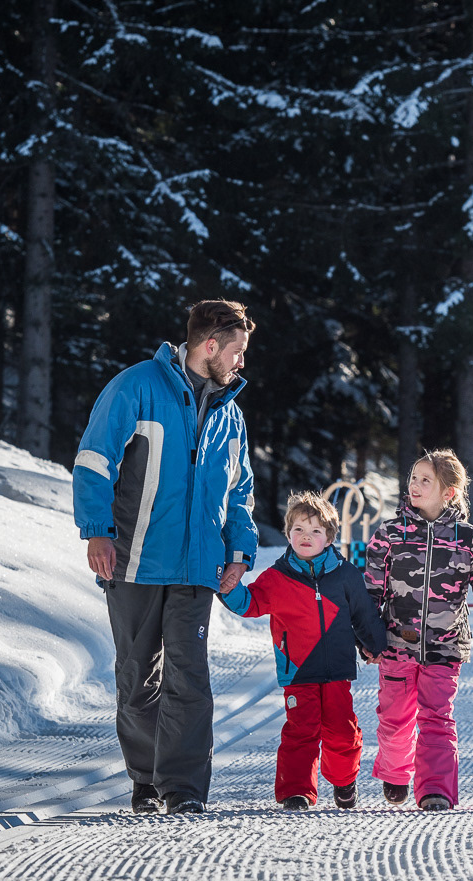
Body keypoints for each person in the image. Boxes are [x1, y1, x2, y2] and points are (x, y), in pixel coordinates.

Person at [73, 299, 258, 816]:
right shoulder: (135, 387)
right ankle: (146, 778)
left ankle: (183, 788)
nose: (242, 362)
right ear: (210, 346)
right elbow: (93, 462)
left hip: (198, 568)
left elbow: (239, 491)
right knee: (137, 678)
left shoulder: (230, 413)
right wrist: (96, 532)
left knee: (189, 677)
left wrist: (239, 551)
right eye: (237, 351)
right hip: (134, 560)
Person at [219, 492, 387, 810]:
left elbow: (364, 614)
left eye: (315, 531)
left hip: (337, 670)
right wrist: (229, 589)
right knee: (301, 730)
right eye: (298, 529)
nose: (306, 536)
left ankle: (344, 780)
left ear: (329, 538)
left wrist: (375, 645)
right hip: (297, 669)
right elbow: (250, 603)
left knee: (341, 730)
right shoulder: (277, 578)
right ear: (288, 533)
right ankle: (296, 790)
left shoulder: (346, 575)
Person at [362, 449, 473, 811]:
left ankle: (435, 789)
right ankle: (396, 772)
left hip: (445, 646)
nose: (415, 485)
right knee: (394, 720)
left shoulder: (467, 538)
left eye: (426, 480)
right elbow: (371, 591)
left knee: (437, 719)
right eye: (414, 477)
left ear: (448, 492)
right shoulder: (389, 534)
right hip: (396, 644)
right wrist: (367, 637)